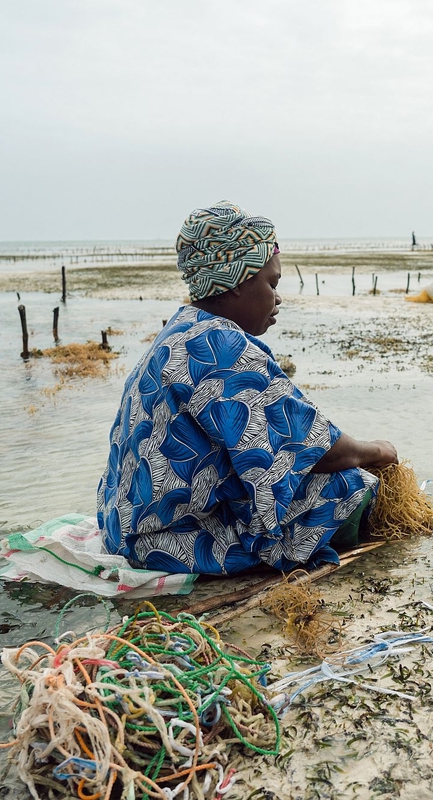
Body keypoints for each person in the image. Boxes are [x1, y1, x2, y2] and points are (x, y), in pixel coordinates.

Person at [97, 201, 398, 575]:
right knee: (348, 485)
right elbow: (316, 449)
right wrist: (378, 451)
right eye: (272, 283)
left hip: (121, 525)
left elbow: (270, 437)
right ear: (237, 283)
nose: (278, 297)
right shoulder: (221, 346)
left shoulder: (181, 330)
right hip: (165, 542)